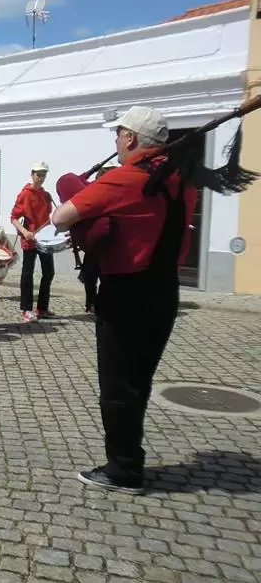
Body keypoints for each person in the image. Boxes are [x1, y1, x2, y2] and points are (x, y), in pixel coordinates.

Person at [52, 105, 197, 495]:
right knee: (138, 382)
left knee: (118, 386)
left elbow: (60, 217)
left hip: (126, 292)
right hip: (165, 290)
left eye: (118, 134)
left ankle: (124, 469)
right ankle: (129, 458)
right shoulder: (183, 181)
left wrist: (76, 191)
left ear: (131, 138)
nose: (115, 141)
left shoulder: (125, 179)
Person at [10, 161, 56, 322]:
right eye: (39, 174)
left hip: (45, 239)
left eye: (44, 175)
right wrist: (24, 231)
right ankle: (26, 309)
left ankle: (42, 308)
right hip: (30, 239)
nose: (41, 178)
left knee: (49, 272)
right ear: (32, 174)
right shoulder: (24, 194)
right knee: (27, 273)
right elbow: (14, 218)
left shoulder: (45, 194)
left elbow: (48, 216)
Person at [80, 163, 119, 314]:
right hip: (95, 239)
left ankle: (104, 304)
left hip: (110, 238)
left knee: (106, 275)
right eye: (106, 172)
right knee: (90, 274)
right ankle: (91, 303)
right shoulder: (93, 188)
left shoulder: (117, 190)